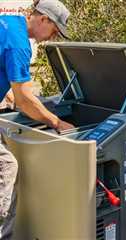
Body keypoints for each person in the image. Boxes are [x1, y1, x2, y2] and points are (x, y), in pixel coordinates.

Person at [0, 0, 74, 238]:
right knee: (7, 167)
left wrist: (8, 93)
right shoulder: (20, 44)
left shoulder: (8, 23)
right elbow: (25, 100)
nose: (52, 38)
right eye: (54, 30)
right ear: (43, 19)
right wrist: (57, 122)